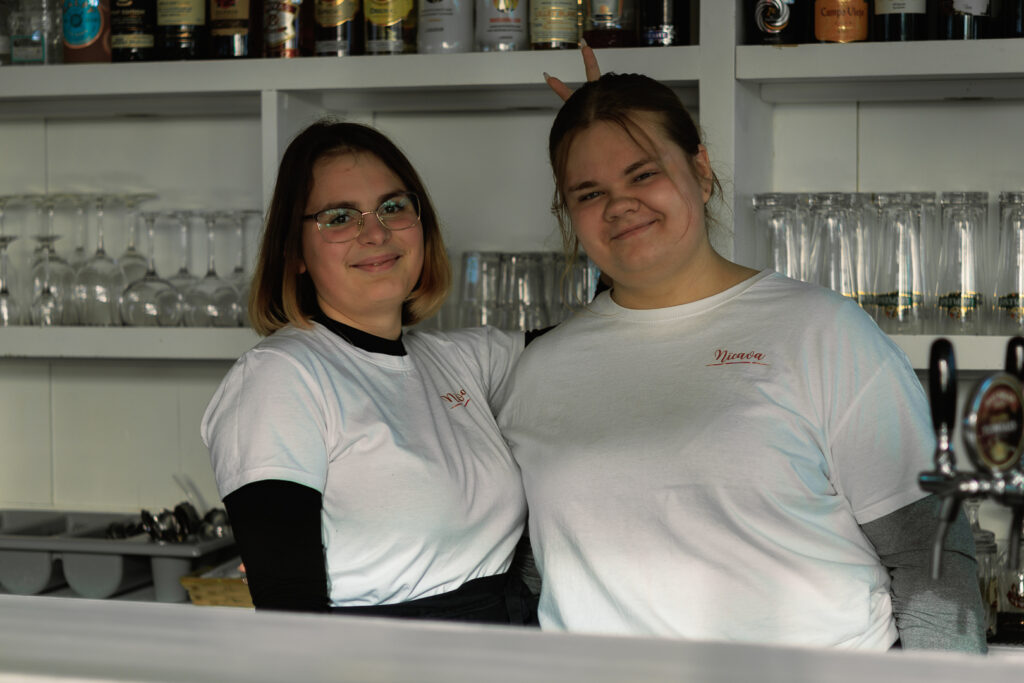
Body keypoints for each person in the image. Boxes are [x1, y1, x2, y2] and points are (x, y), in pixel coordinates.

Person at [496, 68, 988, 651]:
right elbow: (542, 575)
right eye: (589, 192)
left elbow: (932, 559)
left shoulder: (821, 331)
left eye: (644, 173)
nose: (620, 204)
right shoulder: (540, 369)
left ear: (701, 171)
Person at [201, 119, 538, 623]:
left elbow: (607, 337)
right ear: (294, 253)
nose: (376, 232)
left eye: (393, 207)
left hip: (505, 648)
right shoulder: (280, 377)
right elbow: (289, 618)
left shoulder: (456, 360)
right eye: (339, 218)